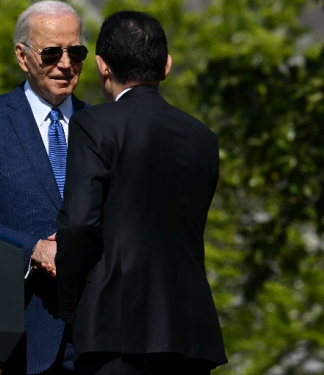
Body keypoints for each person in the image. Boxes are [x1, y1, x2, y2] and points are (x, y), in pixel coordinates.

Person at [54, 11, 228, 375]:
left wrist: (71, 302)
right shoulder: (203, 138)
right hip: (192, 334)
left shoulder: (95, 124)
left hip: (117, 329)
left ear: (102, 66)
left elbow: (80, 224)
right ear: (166, 66)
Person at [0, 1, 89, 373]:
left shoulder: (102, 125)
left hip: (100, 337)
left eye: (76, 52)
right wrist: (34, 250)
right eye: (52, 53)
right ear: (22, 57)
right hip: (23, 337)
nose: (65, 63)